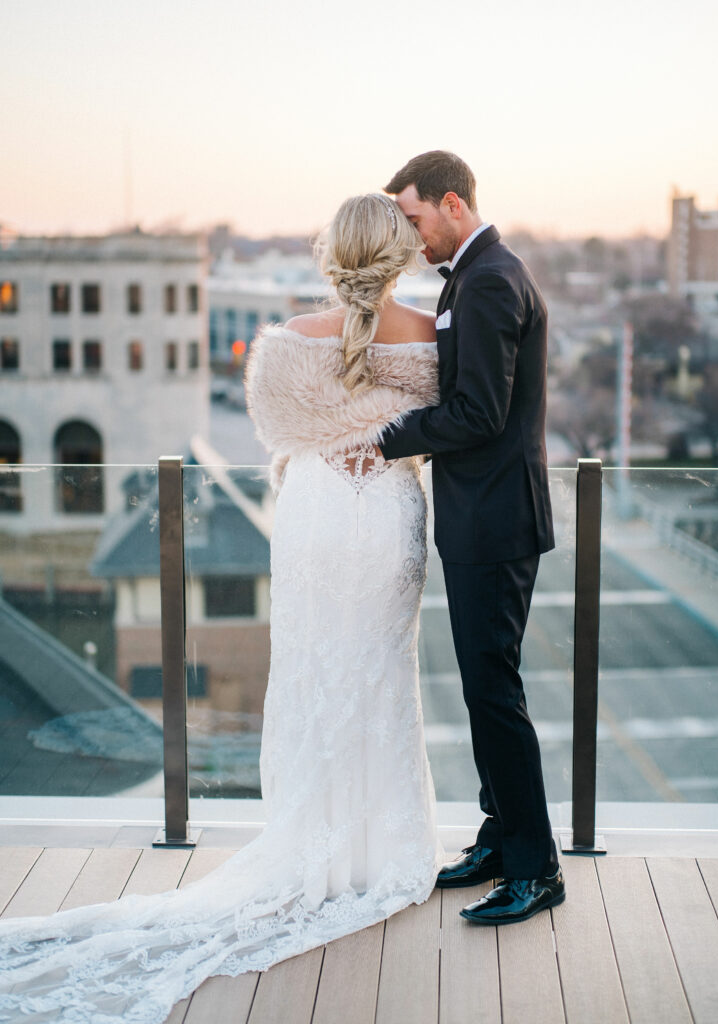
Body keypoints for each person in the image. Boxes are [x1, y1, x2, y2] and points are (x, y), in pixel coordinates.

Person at [0, 194, 445, 1024]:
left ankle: (313, 840)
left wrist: (335, 430)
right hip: (387, 515)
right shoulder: (432, 341)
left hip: (314, 515)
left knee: (313, 673)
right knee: (382, 672)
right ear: (400, 256)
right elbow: (448, 425)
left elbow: (280, 435)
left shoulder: (286, 345)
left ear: (332, 254)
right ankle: (376, 848)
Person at [376, 151, 565, 924]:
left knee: (494, 693)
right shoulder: (472, 274)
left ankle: (536, 869)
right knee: (485, 688)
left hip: (496, 517)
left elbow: (479, 413)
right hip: (483, 514)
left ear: (452, 203)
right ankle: (499, 838)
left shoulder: (487, 280)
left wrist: (387, 438)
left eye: (414, 218)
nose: (411, 237)